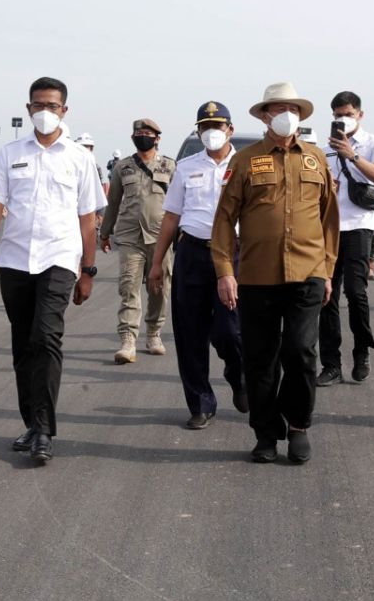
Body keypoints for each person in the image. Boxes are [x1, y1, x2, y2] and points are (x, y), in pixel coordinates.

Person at [0, 76, 103, 464]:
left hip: (59, 259)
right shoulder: (9, 154)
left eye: (52, 106)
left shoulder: (79, 158)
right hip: (14, 260)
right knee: (23, 344)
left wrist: (87, 269)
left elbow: (88, 218)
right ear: (28, 109)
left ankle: (44, 430)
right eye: (38, 106)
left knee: (45, 338)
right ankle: (32, 422)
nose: (44, 113)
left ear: (64, 111)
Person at [212, 82, 339, 464]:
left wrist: (328, 269)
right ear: (265, 116)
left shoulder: (317, 158)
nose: (287, 116)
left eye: (293, 110)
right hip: (256, 276)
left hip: (309, 273)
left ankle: (298, 426)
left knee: (301, 351)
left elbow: (330, 219)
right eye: (278, 109)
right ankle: (266, 433)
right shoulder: (246, 160)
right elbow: (223, 219)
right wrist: (224, 270)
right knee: (260, 360)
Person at [148, 102, 246, 430]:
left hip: (233, 256)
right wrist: (157, 262)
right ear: (198, 131)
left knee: (230, 331)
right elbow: (172, 216)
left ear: (230, 129)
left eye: (217, 126)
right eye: (205, 127)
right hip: (191, 253)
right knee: (190, 335)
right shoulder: (187, 167)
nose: (211, 132)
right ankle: (201, 403)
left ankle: (238, 374)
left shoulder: (245, 165)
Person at [318, 91, 374, 386]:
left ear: (360, 114)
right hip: (330, 228)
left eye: (347, 113)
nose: (342, 119)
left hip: (360, 226)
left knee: (356, 293)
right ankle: (331, 364)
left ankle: (361, 352)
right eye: (337, 115)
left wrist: (352, 155)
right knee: (326, 297)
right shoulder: (325, 150)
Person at [100, 119, 176, 363]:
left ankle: (153, 333)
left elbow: (179, 204)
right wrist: (104, 232)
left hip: (160, 237)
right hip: (131, 236)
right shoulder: (123, 167)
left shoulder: (170, 166)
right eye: (139, 133)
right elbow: (113, 204)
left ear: (157, 138)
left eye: (148, 133)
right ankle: (128, 340)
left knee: (159, 289)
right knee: (128, 286)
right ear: (133, 137)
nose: (143, 136)